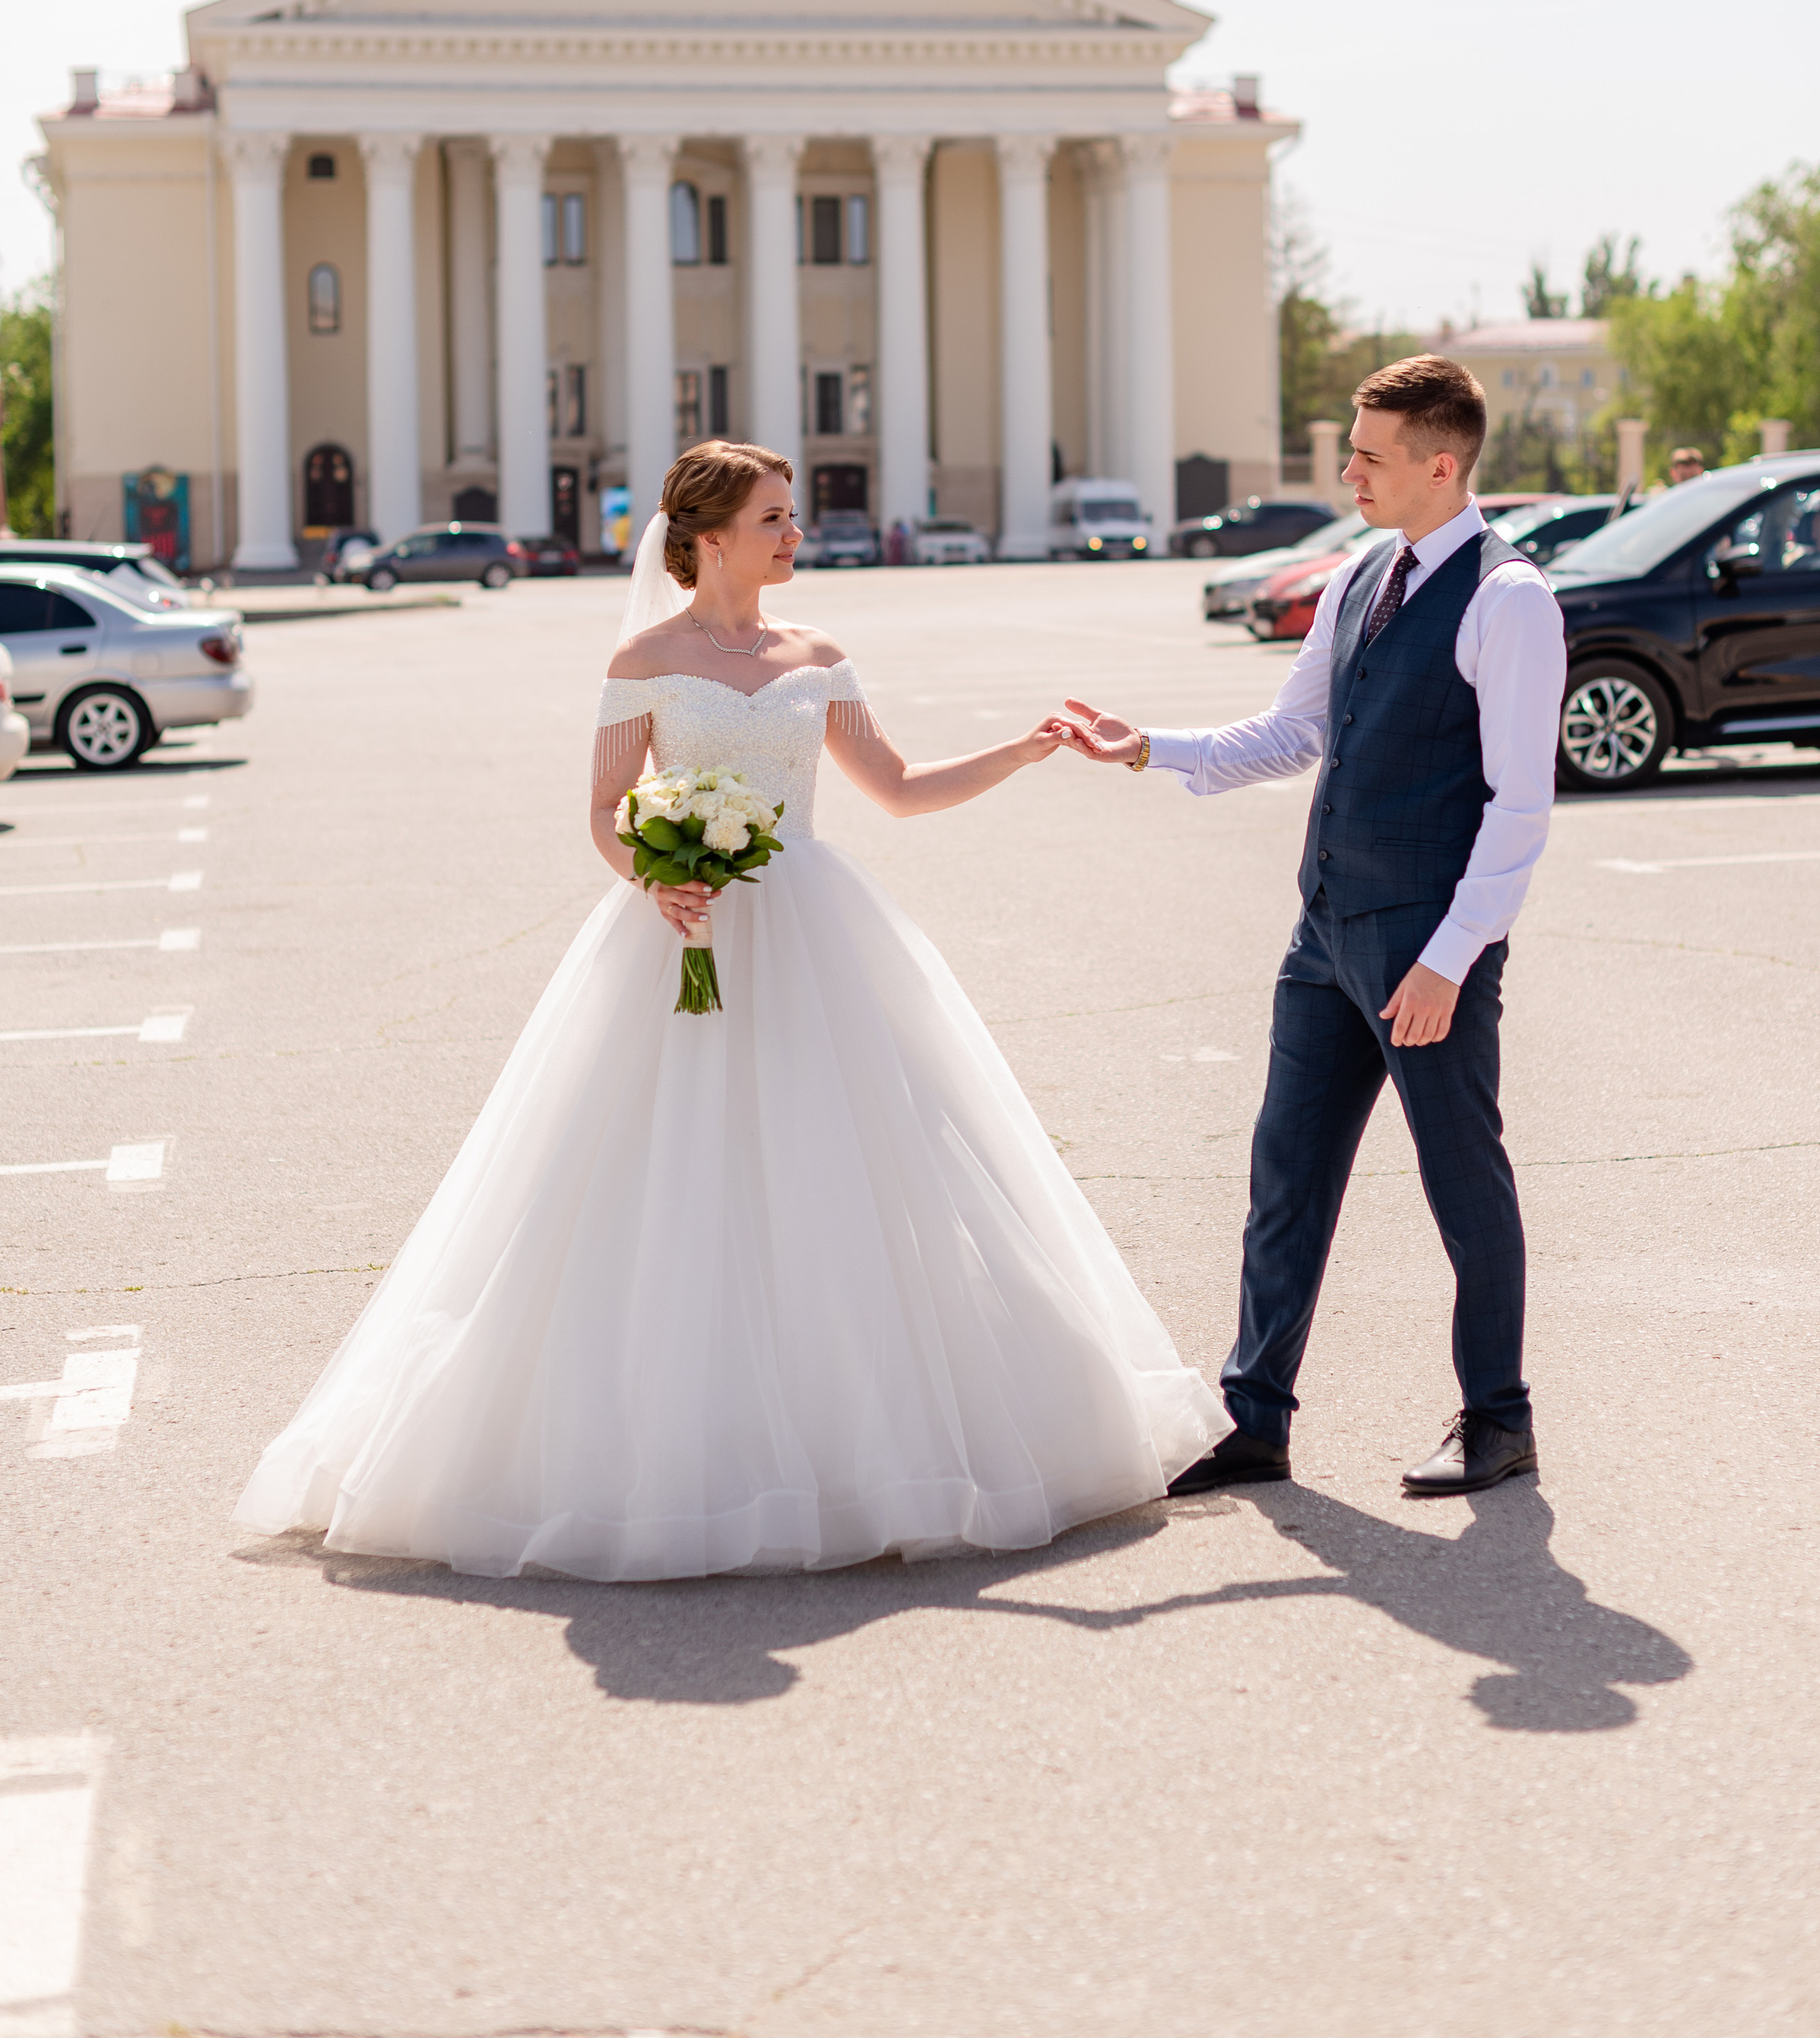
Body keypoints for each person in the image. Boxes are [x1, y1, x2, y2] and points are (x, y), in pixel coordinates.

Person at [235, 441, 1222, 1580]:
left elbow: (896, 791)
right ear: (712, 539)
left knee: (848, 1171)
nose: (796, 534)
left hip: (815, 933)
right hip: (682, 934)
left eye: (792, 516)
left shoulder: (820, 654)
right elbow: (605, 810)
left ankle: (875, 1436)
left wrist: (1024, 747)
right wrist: (653, 876)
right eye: (775, 518)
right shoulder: (645, 657)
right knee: (665, 1176)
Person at [1059, 357, 1567, 1499]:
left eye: (1371, 454)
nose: (1349, 470)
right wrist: (1149, 748)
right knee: (1285, 1171)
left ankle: (1499, 1417)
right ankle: (1256, 1417)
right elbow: (1292, 736)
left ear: (1443, 464)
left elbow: (1521, 807)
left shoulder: (1509, 599)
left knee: (1461, 1179)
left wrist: (1451, 955)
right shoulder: (1355, 579)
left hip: (1425, 951)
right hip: (1326, 934)